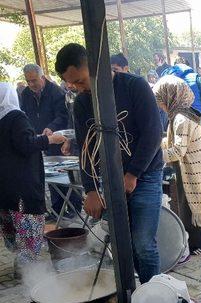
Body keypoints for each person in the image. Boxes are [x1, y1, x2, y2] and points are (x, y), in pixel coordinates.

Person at [56, 43, 164, 283]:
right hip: (110, 179)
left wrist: (133, 173)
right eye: (70, 83)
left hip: (145, 176)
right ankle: (133, 296)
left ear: (95, 67)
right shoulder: (83, 102)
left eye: (80, 81)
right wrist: (91, 190)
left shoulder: (134, 86)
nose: (76, 87)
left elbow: (153, 134)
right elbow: (86, 150)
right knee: (122, 243)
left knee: (144, 243)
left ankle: (154, 297)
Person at [0, 83, 66, 276]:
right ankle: (27, 270)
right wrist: (50, 140)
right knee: (29, 222)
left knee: (13, 221)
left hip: (5, 184)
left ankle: (21, 260)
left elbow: (14, 143)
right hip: (22, 182)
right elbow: (26, 145)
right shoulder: (16, 117)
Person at [153, 75, 201, 251]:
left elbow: (178, 151)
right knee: (187, 206)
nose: (160, 104)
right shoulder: (181, 113)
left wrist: (154, 155)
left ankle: (195, 247)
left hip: (193, 169)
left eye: (161, 99)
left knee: (190, 207)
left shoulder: (181, 119)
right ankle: (194, 244)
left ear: (170, 96)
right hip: (193, 167)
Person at [20, 64, 83, 220]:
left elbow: (63, 116)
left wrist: (51, 127)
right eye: (28, 81)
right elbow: (25, 115)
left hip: (59, 139)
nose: (31, 84)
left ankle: (75, 207)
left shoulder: (56, 92)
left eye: (34, 80)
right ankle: (57, 209)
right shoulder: (26, 94)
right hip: (40, 139)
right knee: (51, 175)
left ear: (42, 77)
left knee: (67, 174)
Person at [163, 61, 201, 125]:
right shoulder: (196, 78)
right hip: (197, 118)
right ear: (187, 67)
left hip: (176, 120)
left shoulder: (166, 79)